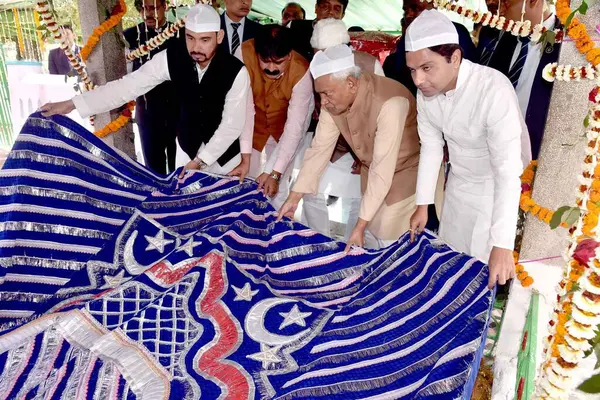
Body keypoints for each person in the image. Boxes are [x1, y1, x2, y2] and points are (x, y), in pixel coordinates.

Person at [39, 4, 250, 177]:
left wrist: (201, 161)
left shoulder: (236, 71)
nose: (196, 47)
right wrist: (72, 104)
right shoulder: (172, 57)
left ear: (219, 37)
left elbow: (232, 126)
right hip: (187, 154)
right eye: (190, 38)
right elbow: (126, 87)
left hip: (225, 161)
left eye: (205, 40)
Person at [406, 10, 531, 289]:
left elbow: (507, 173)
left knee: (483, 273)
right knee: (451, 264)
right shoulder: (425, 92)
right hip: (458, 186)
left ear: (455, 58)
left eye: (427, 68)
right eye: (412, 70)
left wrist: (501, 243)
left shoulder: (493, 89)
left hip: (494, 192)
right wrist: (422, 204)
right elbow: (431, 148)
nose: (418, 80)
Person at [278, 45, 421, 251]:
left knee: (389, 241)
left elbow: (382, 168)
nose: (323, 102)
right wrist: (295, 196)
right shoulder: (334, 99)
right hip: (372, 174)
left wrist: (359, 226)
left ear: (351, 83)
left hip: (404, 176)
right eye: (320, 95)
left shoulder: (390, 103)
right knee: (370, 236)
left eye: (326, 94)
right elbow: (319, 149)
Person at [297, 18, 385, 241]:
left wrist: (363, 153)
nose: (322, 60)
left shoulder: (369, 65)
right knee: (315, 202)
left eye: (325, 53)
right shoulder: (316, 68)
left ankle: (344, 250)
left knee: (349, 208)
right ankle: (322, 247)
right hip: (327, 147)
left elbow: (378, 119)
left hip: (357, 155)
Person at [230, 25, 314, 209]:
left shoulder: (302, 71)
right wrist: (246, 158)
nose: (271, 68)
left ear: (290, 55)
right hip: (251, 128)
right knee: (244, 180)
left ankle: (274, 230)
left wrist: (274, 173)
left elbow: (294, 128)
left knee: (277, 186)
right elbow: (244, 109)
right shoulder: (243, 54)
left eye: (279, 62)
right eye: (265, 61)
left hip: (283, 130)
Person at [477, 0, 561, 159]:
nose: (499, 11)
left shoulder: (567, 45)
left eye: (506, 4)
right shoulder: (496, 34)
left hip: (538, 157)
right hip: (491, 153)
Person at [123, 0, 179, 175]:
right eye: (144, 8)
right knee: (154, 170)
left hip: (178, 112)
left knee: (180, 167)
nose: (148, 13)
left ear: (165, 7)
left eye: (154, 8)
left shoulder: (180, 33)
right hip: (148, 113)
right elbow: (126, 76)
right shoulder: (131, 36)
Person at [383, 0, 477, 96]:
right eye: (406, 10)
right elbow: (399, 73)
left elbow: (468, 73)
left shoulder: (456, 32)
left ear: (433, 5)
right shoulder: (407, 38)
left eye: (415, 8)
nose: (409, 15)